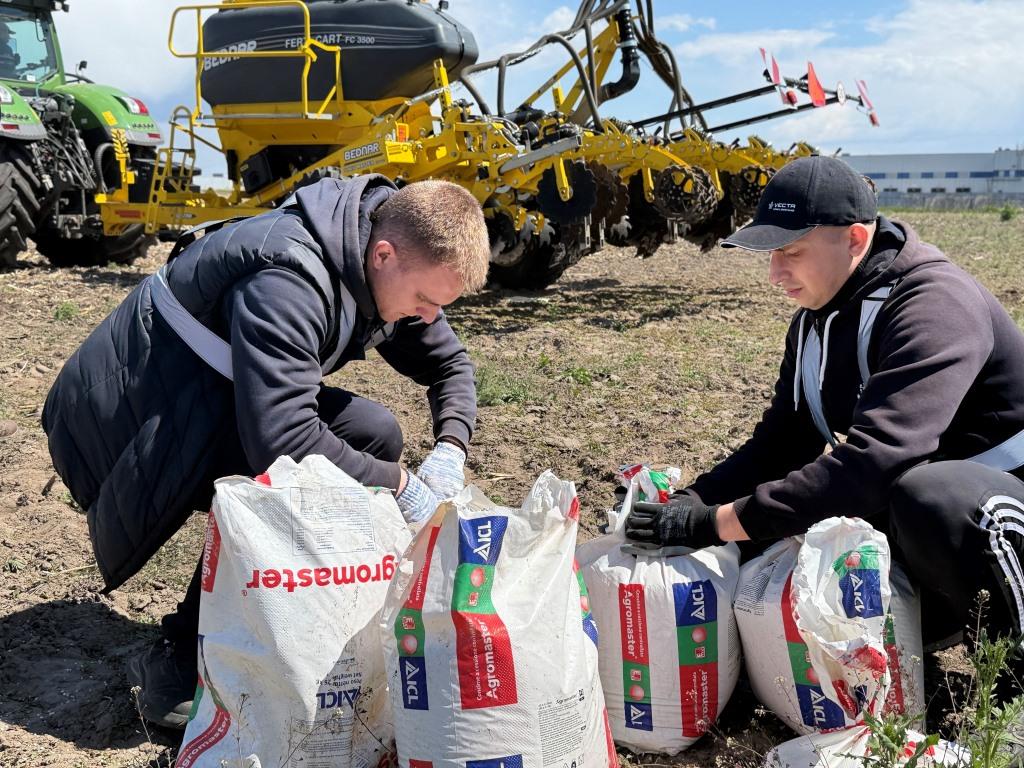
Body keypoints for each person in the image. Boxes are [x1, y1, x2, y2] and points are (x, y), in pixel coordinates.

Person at [41, 175, 490, 728]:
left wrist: (450, 447)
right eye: (424, 300)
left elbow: (451, 365)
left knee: (371, 434)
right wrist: (399, 485)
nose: (426, 317)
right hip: (131, 415)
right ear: (384, 254)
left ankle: (278, 611)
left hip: (208, 391)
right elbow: (282, 440)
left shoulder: (385, 264)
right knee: (289, 468)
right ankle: (183, 650)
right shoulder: (288, 276)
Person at [625, 156, 1024, 674]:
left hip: (989, 510)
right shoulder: (817, 320)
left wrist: (716, 522)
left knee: (928, 498)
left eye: (791, 251)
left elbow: (875, 462)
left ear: (855, 239)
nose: (774, 273)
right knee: (766, 557)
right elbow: (781, 444)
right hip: (923, 522)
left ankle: (1012, 674)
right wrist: (690, 503)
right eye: (771, 253)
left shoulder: (934, 304)